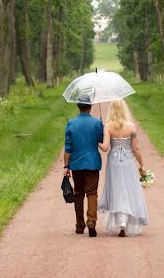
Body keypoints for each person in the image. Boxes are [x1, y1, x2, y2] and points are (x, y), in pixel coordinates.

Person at [97, 99, 149, 236]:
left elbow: (105, 148)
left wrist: (97, 140)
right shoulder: (131, 127)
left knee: (117, 189)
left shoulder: (108, 126)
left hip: (114, 161)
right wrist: (142, 166)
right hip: (127, 162)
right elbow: (136, 149)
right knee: (127, 189)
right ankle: (124, 221)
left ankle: (121, 221)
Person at [63, 93, 104, 237]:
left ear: (78, 106)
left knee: (78, 193)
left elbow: (68, 147)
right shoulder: (97, 123)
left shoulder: (71, 123)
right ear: (90, 107)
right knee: (92, 193)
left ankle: (80, 225)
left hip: (76, 163)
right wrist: (101, 126)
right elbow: (100, 140)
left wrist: (66, 166)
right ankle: (91, 221)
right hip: (93, 162)